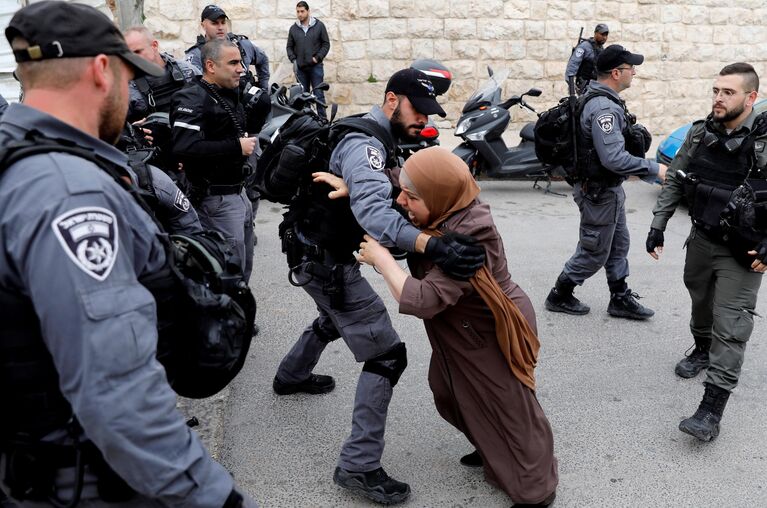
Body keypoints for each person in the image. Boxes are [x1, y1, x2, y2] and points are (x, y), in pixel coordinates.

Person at [0, 2, 254, 506]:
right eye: (128, 76)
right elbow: (116, 392)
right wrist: (213, 497)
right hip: (76, 477)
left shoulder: (17, 154)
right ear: (101, 70)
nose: (132, 92)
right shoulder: (71, 194)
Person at [271, 68, 485, 505]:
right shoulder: (366, 144)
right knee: (387, 355)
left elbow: (371, 196)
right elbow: (375, 214)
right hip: (326, 263)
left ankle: (291, 376)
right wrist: (432, 246)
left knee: (335, 318)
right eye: (416, 109)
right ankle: (359, 465)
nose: (421, 119)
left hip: (314, 254)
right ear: (391, 100)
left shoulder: (369, 136)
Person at [355, 147, 558, 507]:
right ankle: (494, 449)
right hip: (458, 329)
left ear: (438, 195)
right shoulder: (443, 202)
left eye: (411, 197)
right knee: (448, 393)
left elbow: (422, 299)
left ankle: (537, 491)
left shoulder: (470, 234)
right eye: (403, 193)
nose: (402, 202)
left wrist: (383, 259)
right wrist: (350, 180)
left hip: (489, 329)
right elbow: (392, 180)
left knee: (513, 412)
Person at [646, 62, 767, 442]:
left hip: (743, 250)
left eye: (728, 92)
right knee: (700, 301)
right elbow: (676, 181)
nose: (718, 98)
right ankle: (701, 349)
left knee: (731, 326)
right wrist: (658, 225)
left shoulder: (763, 143)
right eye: (716, 90)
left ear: (751, 97)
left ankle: (710, 411)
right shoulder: (700, 133)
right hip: (701, 238)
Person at [544, 44, 667, 319]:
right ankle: (560, 293)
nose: (634, 72)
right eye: (630, 68)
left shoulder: (601, 98)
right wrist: (654, 169)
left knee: (618, 244)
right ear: (615, 73)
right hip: (598, 192)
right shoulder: (603, 108)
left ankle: (619, 297)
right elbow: (614, 158)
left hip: (607, 189)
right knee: (594, 250)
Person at [170, 39, 258, 282]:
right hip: (215, 200)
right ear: (210, 65)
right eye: (233, 62)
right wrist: (236, 147)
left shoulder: (227, 92)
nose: (240, 68)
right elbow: (184, 146)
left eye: (240, 61)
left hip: (239, 194)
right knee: (228, 273)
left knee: (243, 266)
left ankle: (242, 318)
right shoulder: (192, 97)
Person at [124, 25, 200, 123]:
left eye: (138, 51)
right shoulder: (127, 87)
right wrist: (134, 131)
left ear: (154, 45)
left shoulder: (187, 71)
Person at [286, 1, 330, 118]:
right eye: (298, 11)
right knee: (304, 98)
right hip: (300, 69)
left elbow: (326, 44)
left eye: (302, 11)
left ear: (308, 11)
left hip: (316, 67)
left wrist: (317, 58)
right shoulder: (293, 29)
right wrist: (293, 60)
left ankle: (323, 120)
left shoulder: (319, 26)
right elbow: (289, 47)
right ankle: (309, 122)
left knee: (318, 95)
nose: (300, 14)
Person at [565, 23, 609, 95]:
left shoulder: (601, 49)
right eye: (602, 34)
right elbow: (572, 66)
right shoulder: (584, 47)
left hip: (596, 86)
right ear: (595, 33)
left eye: (606, 35)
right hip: (584, 87)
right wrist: (572, 88)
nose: (604, 37)